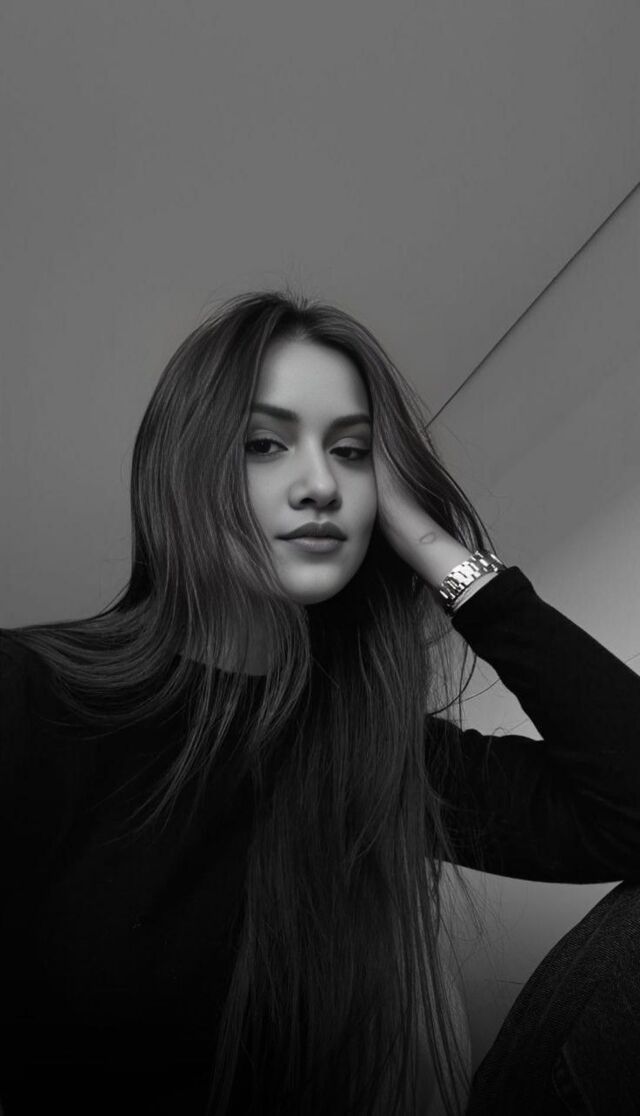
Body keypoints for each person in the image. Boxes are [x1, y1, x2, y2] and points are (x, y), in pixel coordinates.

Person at [1, 288, 640, 1115]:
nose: (320, 485)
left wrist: (439, 550)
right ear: (183, 468)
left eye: (352, 453)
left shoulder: (369, 746)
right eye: (265, 444)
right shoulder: (30, 696)